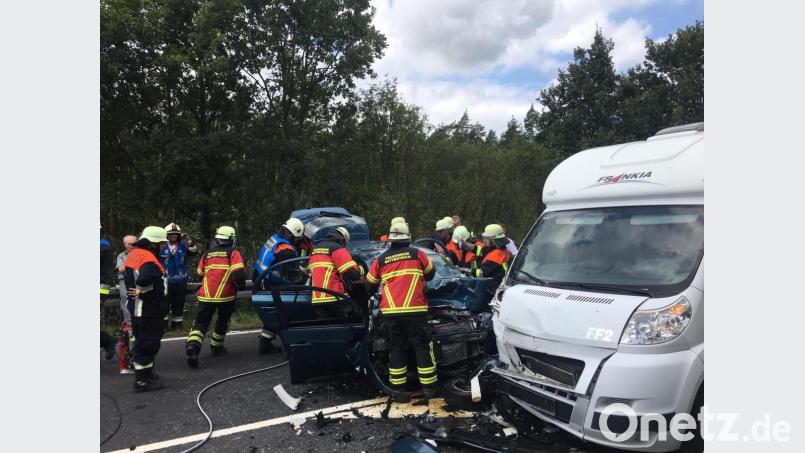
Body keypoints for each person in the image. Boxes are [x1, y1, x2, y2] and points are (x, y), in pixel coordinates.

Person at [366, 222, 438, 403]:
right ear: (408, 238)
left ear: (390, 239)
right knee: (422, 347)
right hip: (416, 310)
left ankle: (398, 390)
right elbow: (430, 274)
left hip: (391, 313)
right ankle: (429, 389)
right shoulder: (418, 254)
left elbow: (369, 284)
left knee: (396, 349)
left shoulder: (380, 260)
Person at [185, 226, 246, 368]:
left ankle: (193, 347)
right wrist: (240, 286)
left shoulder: (207, 253)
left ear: (217, 238)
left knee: (200, 323)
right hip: (226, 295)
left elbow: (199, 272)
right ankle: (216, 347)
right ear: (232, 239)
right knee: (222, 321)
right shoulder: (233, 252)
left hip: (206, 295)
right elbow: (238, 274)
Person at [124, 226, 169, 392]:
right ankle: (142, 381)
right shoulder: (148, 257)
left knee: (143, 340)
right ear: (152, 243)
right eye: (162, 243)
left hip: (137, 308)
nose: (164, 246)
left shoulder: (134, 254)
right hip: (148, 309)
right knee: (149, 342)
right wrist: (143, 290)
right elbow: (143, 279)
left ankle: (147, 374)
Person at [253, 217, 307, 353]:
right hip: (272, 283)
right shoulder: (285, 249)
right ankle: (292, 347)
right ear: (294, 235)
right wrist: (305, 275)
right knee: (290, 312)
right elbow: (292, 275)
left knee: (275, 313)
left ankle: (265, 344)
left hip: (261, 280)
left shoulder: (275, 239)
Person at [308, 227, 363, 318]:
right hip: (335, 298)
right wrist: (361, 269)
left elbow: (312, 271)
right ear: (342, 240)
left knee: (328, 329)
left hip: (317, 300)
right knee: (356, 319)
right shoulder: (337, 249)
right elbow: (352, 274)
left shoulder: (314, 250)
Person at [160, 223, 198, 330]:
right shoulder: (161, 246)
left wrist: (189, 241)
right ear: (166, 235)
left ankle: (177, 325)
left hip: (181, 281)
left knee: (179, 303)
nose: (174, 236)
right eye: (171, 234)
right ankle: (163, 325)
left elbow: (195, 251)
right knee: (164, 304)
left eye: (176, 234)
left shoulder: (183, 246)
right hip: (165, 280)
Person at [115, 235, 137, 374]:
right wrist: (131, 262)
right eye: (128, 244)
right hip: (126, 295)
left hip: (136, 293)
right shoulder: (122, 255)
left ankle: (136, 361)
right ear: (124, 245)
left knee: (135, 332)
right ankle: (127, 364)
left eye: (132, 243)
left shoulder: (139, 254)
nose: (130, 246)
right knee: (128, 331)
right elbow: (120, 269)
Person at [474, 224, 513, 292]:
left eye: (486, 238)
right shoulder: (502, 249)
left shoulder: (494, 257)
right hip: (499, 285)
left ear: (493, 240)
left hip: (491, 290)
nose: (484, 240)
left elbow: (481, 273)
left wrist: (470, 272)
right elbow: (483, 250)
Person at [100, 230, 117, 360]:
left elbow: (107, 275)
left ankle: (107, 341)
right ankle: (108, 341)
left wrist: (102, 295)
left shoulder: (104, 246)